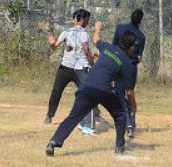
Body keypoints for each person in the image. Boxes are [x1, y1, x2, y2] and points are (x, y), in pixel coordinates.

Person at [45, 21, 136, 157]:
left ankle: (54, 141)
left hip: (86, 86)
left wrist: (98, 28)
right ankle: (119, 147)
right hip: (104, 90)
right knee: (121, 115)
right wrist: (134, 107)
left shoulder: (108, 47)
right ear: (131, 47)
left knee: (73, 116)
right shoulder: (127, 63)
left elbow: (95, 40)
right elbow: (129, 92)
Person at [44, 9, 92, 126]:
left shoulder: (80, 33)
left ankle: (95, 114)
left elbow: (56, 47)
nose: (87, 22)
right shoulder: (68, 33)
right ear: (81, 20)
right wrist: (51, 39)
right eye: (86, 20)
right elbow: (55, 46)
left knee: (87, 92)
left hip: (78, 69)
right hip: (66, 68)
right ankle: (49, 116)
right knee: (57, 91)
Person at [112, 8, 145, 137]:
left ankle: (128, 124)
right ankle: (131, 122)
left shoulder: (120, 28)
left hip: (118, 63)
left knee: (120, 95)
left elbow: (114, 46)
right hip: (131, 67)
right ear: (141, 21)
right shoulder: (141, 36)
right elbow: (139, 58)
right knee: (129, 93)